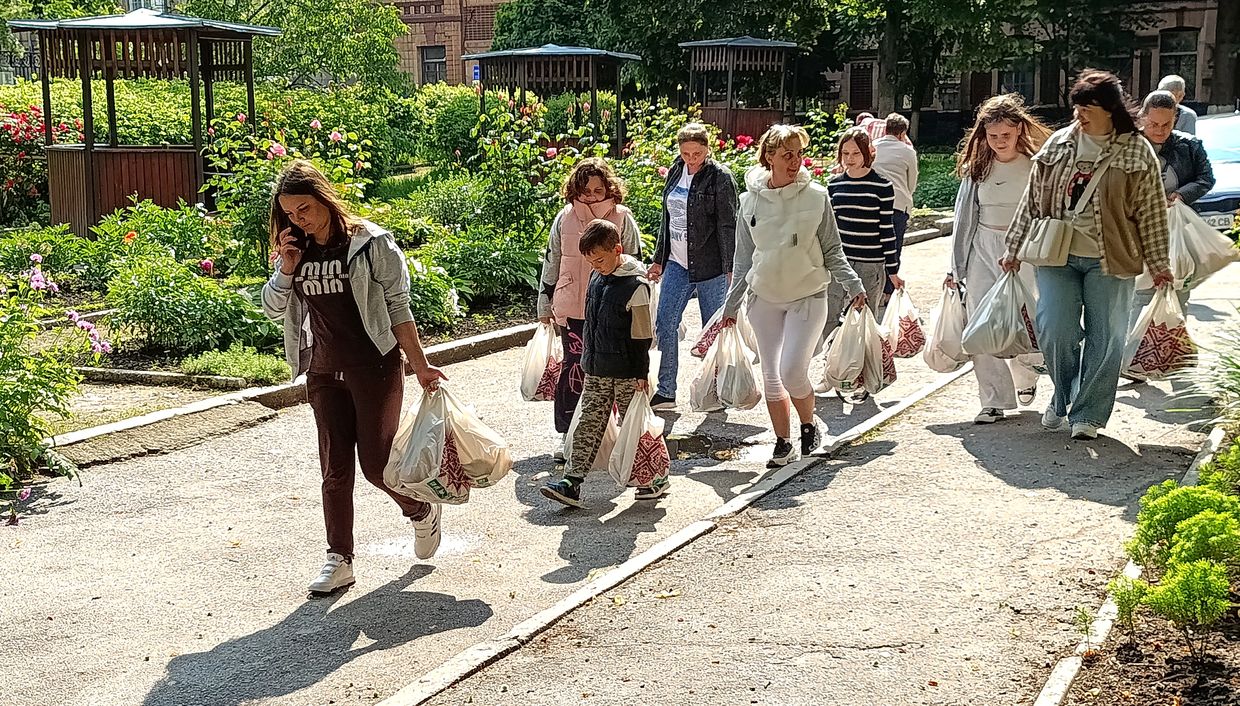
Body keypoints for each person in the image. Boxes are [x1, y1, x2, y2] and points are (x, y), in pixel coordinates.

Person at [260, 160, 448, 594]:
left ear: (324, 199)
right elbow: (271, 308)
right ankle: (339, 558)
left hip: (374, 367)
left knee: (377, 466)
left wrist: (420, 365)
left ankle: (419, 509)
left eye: (305, 209)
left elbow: (398, 306)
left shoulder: (370, 242)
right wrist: (286, 268)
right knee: (335, 469)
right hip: (323, 371)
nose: (298, 220)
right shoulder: (297, 249)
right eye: (289, 213)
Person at [1002, 70, 1173, 441]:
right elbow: (1032, 200)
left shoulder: (1136, 150)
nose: (1079, 115)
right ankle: (1063, 396)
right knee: (1055, 330)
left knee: (1106, 337)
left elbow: (1152, 213)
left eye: (1087, 109)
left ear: (1109, 109)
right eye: (1076, 108)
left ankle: (1089, 414)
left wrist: (1160, 265)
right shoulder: (1059, 143)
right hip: (1056, 255)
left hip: (1112, 259)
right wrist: (1012, 248)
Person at [722, 124, 866, 468]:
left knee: (792, 372)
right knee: (772, 376)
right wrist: (731, 305)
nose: (795, 161)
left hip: (808, 294)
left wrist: (853, 284)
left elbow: (832, 249)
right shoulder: (749, 201)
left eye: (799, 154)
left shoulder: (816, 196)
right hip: (764, 297)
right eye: (787, 155)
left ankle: (808, 423)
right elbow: (743, 259)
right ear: (769, 157)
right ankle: (783, 442)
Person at [945, 94, 1054, 424]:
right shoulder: (977, 168)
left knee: (1026, 317)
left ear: (1019, 129)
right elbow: (964, 219)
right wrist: (955, 268)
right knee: (981, 322)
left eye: (1006, 135)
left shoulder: (1036, 166)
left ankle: (1026, 374)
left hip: (1026, 252)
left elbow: (1047, 213)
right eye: (993, 136)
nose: (1000, 142)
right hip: (984, 249)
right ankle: (993, 399)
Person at [541, 220, 658, 507]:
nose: (596, 266)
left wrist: (641, 373)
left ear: (617, 249)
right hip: (596, 369)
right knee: (588, 424)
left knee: (634, 426)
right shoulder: (596, 278)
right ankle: (572, 481)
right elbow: (591, 323)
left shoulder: (636, 286)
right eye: (591, 262)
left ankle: (653, 476)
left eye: (601, 260)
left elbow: (642, 335)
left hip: (627, 372)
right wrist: (587, 360)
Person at [537, 158, 643, 462]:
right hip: (572, 307)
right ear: (575, 190)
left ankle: (619, 434)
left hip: (613, 311)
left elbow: (635, 262)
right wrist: (544, 302)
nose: (592, 197)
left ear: (609, 188)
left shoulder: (622, 217)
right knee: (574, 368)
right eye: (586, 191)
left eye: (598, 190)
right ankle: (567, 434)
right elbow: (552, 260)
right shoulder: (564, 218)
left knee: (614, 373)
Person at [647, 123, 739, 411]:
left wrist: (730, 266)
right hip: (677, 262)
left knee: (712, 330)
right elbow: (666, 219)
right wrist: (659, 258)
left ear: (707, 149)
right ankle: (666, 391)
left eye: (697, 153)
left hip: (711, 265)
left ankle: (714, 389)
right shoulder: (676, 170)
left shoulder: (720, 177)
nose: (691, 159)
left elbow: (728, 224)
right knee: (665, 322)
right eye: (686, 153)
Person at [1127, 89, 1217, 340]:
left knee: (1178, 291)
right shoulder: (1128, 146)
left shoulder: (1190, 146)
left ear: (1175, 118)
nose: (1160, 130)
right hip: (1139, 230)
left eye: (1166, 124)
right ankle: (1133, 351)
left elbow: (1206, 179)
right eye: (1153, 124)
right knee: (1139, 294)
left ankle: (1172, 349)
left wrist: (1181, 195)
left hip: (1179, 229)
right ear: (1142, 117)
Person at [824, 127, 905, 402]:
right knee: (830, 317)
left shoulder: (882, 186)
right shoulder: (834, 185)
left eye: (855, 153)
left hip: (871, 263)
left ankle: (862, 376)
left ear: (868, 153)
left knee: (864, 321)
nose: (850, 159)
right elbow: (828, 228)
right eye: (845, 153)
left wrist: (892, 270)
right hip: (839, 264)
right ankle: (833, 370)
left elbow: (887, 229)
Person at [872, 113, 920, 297]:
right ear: (903, 133)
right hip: (898, 204)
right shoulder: (908, 152)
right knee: (894, 247)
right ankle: (887, 292)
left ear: (885, 129)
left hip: (873, 204)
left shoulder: (873, 147)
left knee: (874, 246)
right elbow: (911, 182)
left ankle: (872, 289)